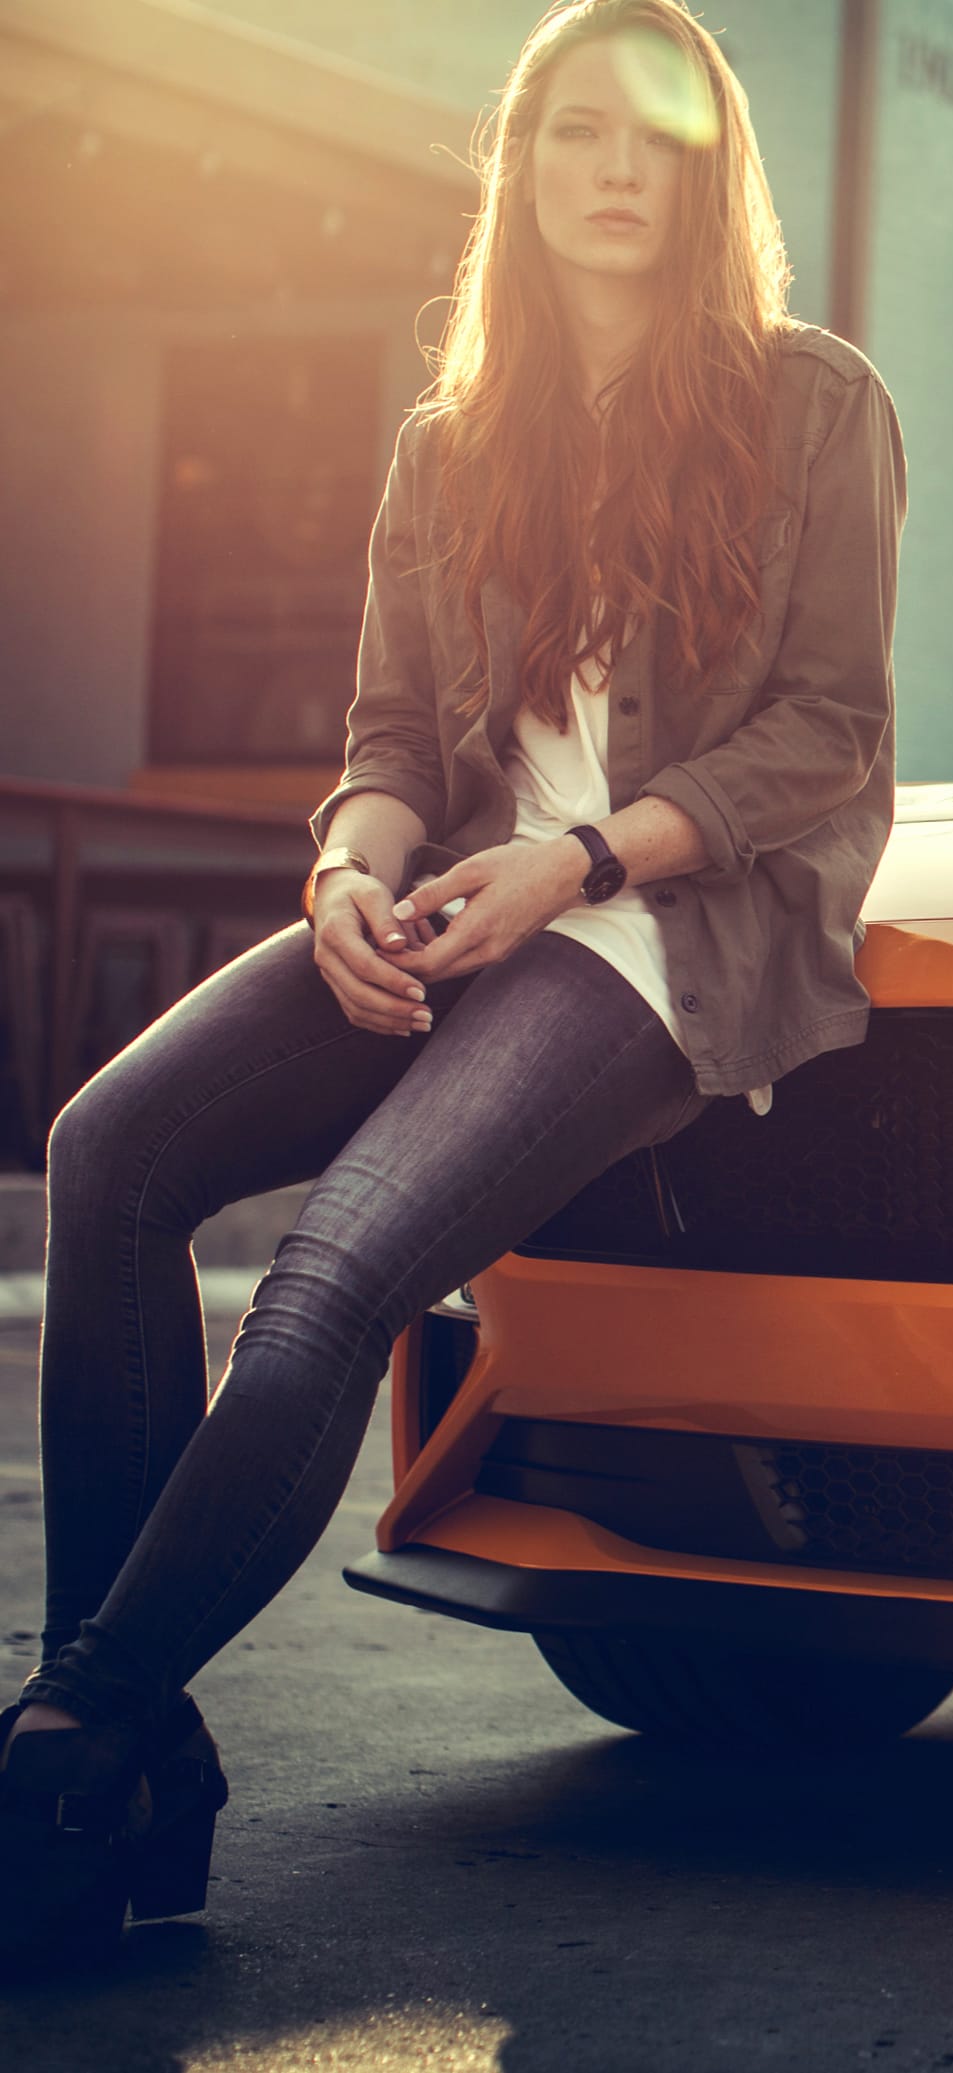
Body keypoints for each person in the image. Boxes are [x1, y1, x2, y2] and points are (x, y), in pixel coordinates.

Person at [2, 0, 903, 1969]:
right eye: (574, 130)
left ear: (704, 170)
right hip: (455, 909)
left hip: (660, 935)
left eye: (652, 140)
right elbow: (393, 733)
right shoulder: (449, 440)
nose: (610, 169)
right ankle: (125, 1737)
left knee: (334, 1274)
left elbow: (830, 734)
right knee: (115, 1145)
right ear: (521, 164)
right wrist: (348, 867)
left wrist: (580, 860)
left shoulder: (812, 401)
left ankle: (72, 1736)